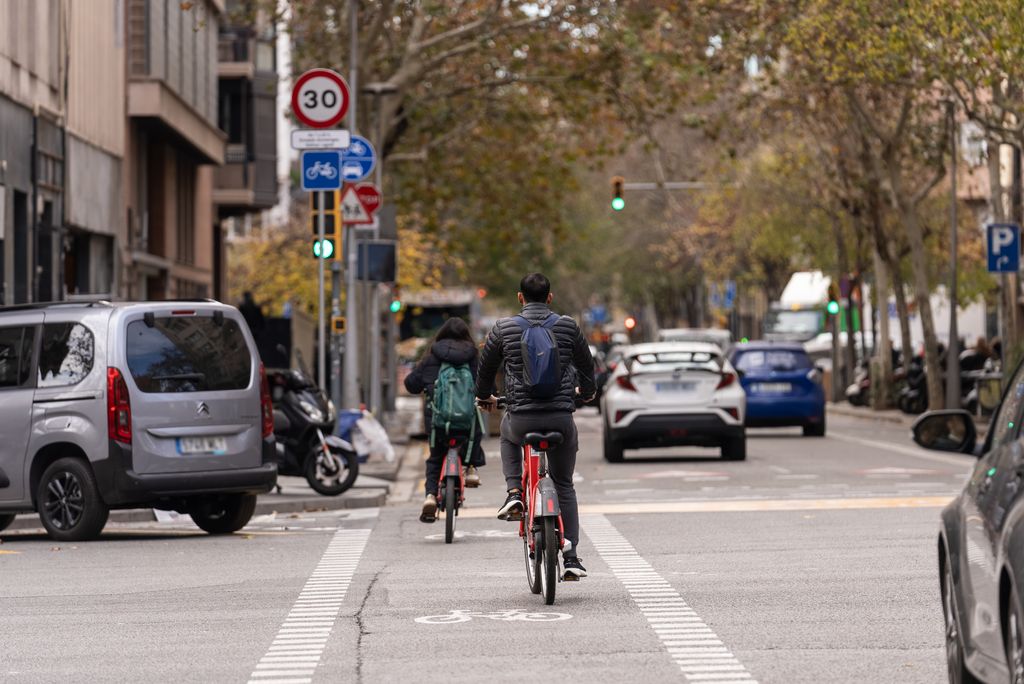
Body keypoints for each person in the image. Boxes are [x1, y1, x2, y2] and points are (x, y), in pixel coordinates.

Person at [477, 272, 596, 580]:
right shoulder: (568, 326)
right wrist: (587, 392)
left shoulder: (503, 329)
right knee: (564, 484)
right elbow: (587, 367)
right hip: (560, 418)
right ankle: (571, 556)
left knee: (507, 436)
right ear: (550, 297)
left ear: (520, 298)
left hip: (521, 418)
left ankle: (515, 491)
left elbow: (485, 369)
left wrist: (484, 397)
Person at [404, 317, 486, 523]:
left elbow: (411, 384)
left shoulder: (432, 356)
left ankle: (431, 495)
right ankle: (470, 468)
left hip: (437, 422)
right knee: (475, 431)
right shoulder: (472, 356)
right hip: (465, 422)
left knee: (435, 457)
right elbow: (486, 387)